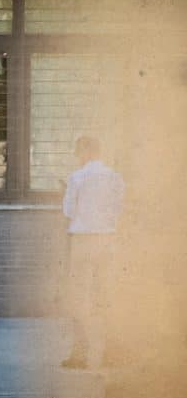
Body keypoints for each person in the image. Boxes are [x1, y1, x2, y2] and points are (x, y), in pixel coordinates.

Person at [60, 136, 125, 369]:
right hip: (107, 239)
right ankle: (112, 351)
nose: (78, 156)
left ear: (85, 151)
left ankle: (80, 353)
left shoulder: (77, 177)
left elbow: (68, 210)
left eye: (79, 152)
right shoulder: (114, 177)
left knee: (78, 297)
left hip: (82, 240)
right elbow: (119, 208)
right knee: (106, 296)